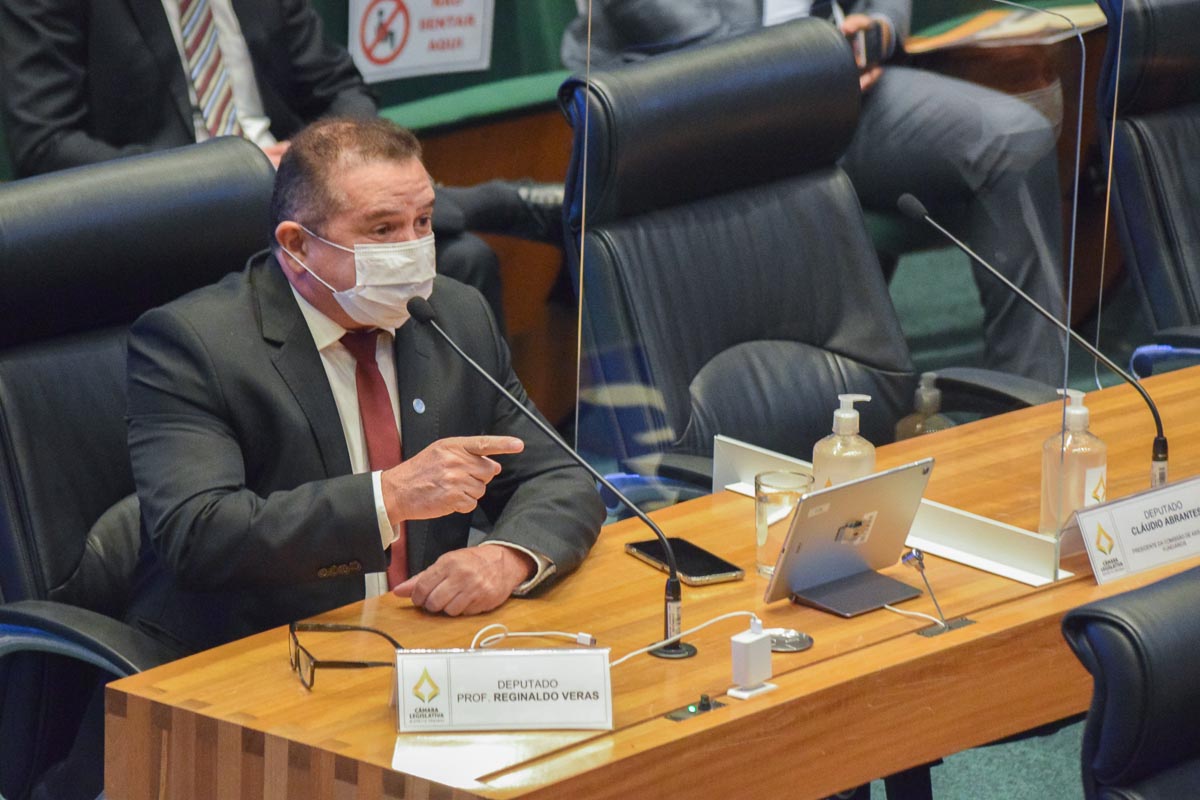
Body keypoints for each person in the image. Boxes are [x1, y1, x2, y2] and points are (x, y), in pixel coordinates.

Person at [123, 116, 604, 656]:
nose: (414, 247)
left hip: (422, 642)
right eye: (382, 230)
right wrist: (390, 495)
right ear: (297, 246)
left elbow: (556, 476)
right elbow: (199, 535)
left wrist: (505, 557)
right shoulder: (194, 345)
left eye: (423, 221)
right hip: (256, 654)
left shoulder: (453, 315)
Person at [562, 0, 1069, 385]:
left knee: (1013, 139)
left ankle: (1030, 403)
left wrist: (879, 28)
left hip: (838, 86)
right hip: (687, 91)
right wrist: (802, 61)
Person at [0, 0, 562, 328]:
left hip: (298, 183)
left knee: (464, 261)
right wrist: (229, 170)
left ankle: (485, 476)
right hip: (173, 209)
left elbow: (339, 85)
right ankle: (492, 202)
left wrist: (324, 157)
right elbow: (48, 146)